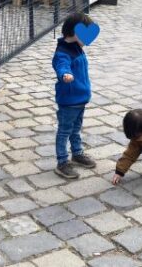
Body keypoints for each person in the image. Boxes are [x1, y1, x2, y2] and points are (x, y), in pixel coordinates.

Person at [51, 13, 97, 179]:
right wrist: (65, 75)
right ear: (73, 32)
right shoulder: (62, 52)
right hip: (69, 102)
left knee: (76, 129)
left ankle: (77, 153)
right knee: (64, 131)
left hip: (80, 100)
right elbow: (62, 66)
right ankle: (62, 162)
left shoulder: (78, 48)